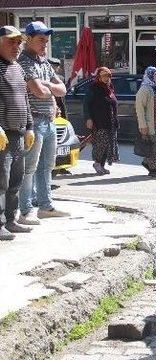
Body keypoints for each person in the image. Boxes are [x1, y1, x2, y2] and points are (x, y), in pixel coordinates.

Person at [17, 21, 69, 224]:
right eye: (41, 40)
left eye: (46, 41)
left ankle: (45, 206)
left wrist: (45, 85)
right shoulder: (24, 62)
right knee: (29, 167)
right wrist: (48, 88)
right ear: (28, 39)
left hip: (49, 120)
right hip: (34, 122)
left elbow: (63, 89)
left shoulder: (43, 62)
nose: (45, 44)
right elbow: (38, 92)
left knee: (47, 166)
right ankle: (25, 211)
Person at [0, 26, 35, 240]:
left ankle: (11, 221)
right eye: (11, 42)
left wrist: (30, 126)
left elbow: (25, 101)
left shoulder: (17, 68)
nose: (16, 46)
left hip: (18, 135)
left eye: (18, 42)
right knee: (0, 182)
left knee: (15, 180)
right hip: (2, 136)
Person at [83, 66, 119, 175]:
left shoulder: (110, 87)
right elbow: (86, 104)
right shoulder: (94, 88)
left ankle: (102, 165)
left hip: (110, 121)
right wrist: (88, 118)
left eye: (108, 75)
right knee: (100, 143)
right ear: (99, 76)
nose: (107, 78)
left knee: (108, 144)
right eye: (104, 75)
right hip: (99, 121)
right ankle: (97, 163)